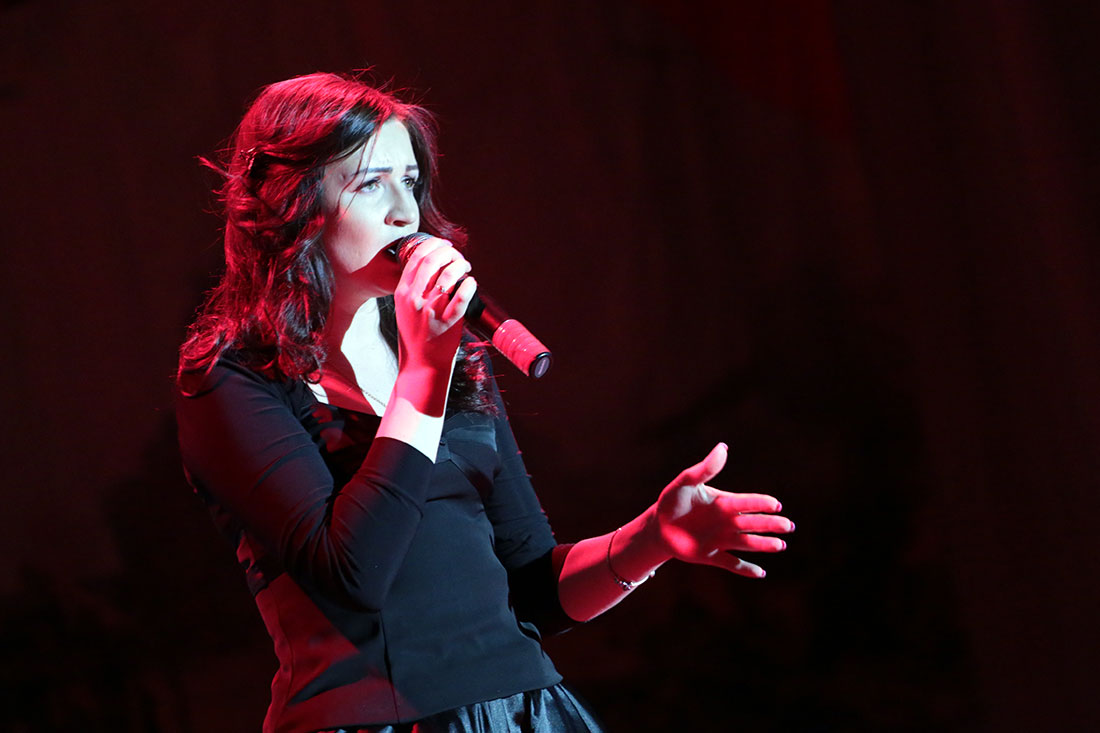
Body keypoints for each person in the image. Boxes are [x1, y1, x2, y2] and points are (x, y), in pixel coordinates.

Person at [175, 72, 794, 733]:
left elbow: (533, 590)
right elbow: (353, 574)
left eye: (410, 181)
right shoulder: (232, 378)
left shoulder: (455, 358)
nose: (404, 213)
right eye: (369, 184)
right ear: (292, 205)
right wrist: (425, 370)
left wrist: (651, 539)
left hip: (529, 710)